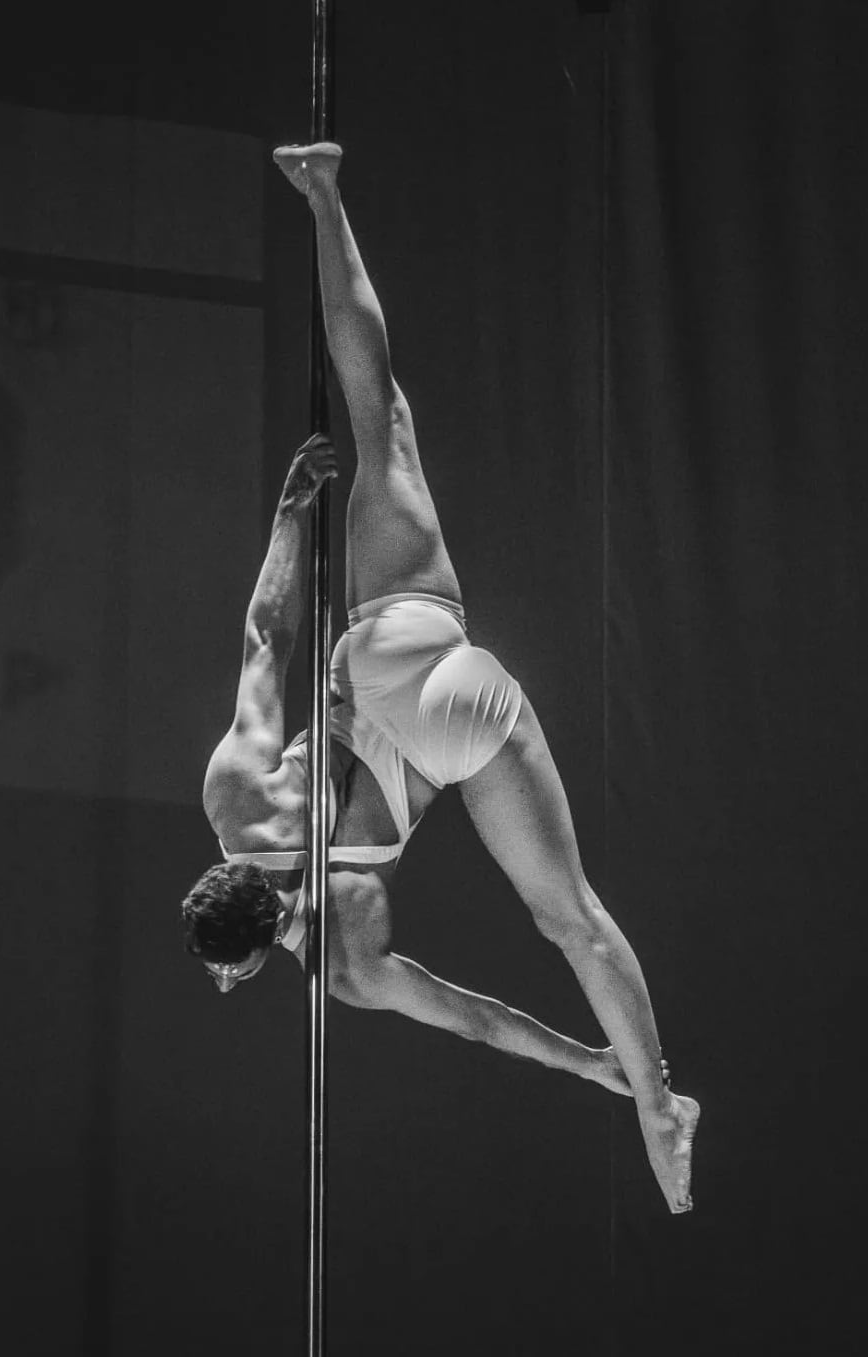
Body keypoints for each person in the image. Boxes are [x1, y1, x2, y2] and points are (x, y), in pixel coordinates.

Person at [185, 142, 699, 1214]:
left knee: (574, 921)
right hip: (380, 647)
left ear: (244, 962)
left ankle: (655, 1100)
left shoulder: (342, 961)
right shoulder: (233, 798)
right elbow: (262, 639)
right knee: (383, 421)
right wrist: (289, 518)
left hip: (458, 722)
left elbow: (470, 1013)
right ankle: (321, 188)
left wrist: (589, 1062)